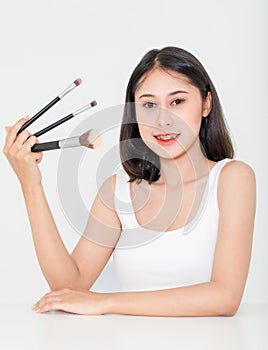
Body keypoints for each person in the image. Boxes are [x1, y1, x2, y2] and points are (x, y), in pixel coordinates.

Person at [3, 46, 256, 317]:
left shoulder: (232, 179)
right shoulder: (117, 192)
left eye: (177, 101)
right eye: (149, 105)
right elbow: (69, 288)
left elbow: (225, 297)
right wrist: (31, 184)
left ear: (206, 104)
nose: (163, 120)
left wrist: (106, 302)